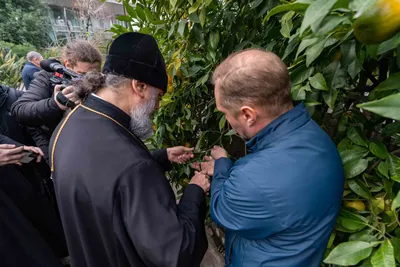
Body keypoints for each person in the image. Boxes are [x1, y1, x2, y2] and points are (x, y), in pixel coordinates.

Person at [50, 32, 209, 267]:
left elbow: (104, 182)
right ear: (140, 86)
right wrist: (195, 191)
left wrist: (161, 157)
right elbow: (177, 254)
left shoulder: (69, 123)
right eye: (158, 97)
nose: (156, 107)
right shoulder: (134, 166)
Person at [192, 49, 344, 267]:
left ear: (248, 115)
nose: (226, 119)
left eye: (224, 112)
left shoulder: (252, 179)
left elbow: (221, 208)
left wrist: (223, 163)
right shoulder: (317, 140)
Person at [12, 40, 102, 163]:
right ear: (68, 65)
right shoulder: (48, 78)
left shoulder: (100, 79)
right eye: (82, 74)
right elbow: (20, 110)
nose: (89, 79)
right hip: (56, 142)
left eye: (94, 74)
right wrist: (55, 103)